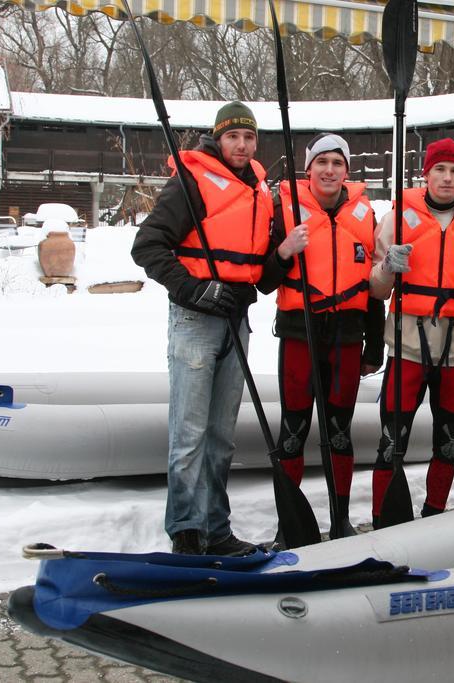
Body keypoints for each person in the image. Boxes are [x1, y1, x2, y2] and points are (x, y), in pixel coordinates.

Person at [131, 100, 270, 556]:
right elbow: (148, 246)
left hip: (236, 322)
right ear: (218, 138)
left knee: (221, 437)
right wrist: (195, 290)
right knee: (189, 434)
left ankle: (216, 528)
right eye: (234, 136)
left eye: (249, 137)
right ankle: (186, 535)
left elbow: (259, 269)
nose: (242, 145)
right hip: (195, 320)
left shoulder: (258, 191)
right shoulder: (191, 182)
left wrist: (282, 253)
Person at [257, 132, 384, 538]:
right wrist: (283, 252)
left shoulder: (365, 216)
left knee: (339, 431)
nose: (329, 171)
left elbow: (374, 289)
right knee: (292, 432)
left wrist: (375, 345)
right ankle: (288, 525)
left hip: (347, 337)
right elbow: (263, 282)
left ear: (347, 171)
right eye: (322, 163)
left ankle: (340, 520)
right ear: (308, 169)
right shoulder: (283, 210)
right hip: (300, 335)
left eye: (338, 163)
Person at [369, 138, 454, 526]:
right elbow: (376, 289)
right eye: (439, 169)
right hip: (408, 348)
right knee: (392, 442)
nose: (447, 177)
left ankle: (433, 516)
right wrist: (389, 265)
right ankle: (383, 520)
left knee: (448, 444)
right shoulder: (397, 218)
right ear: (426, 173)